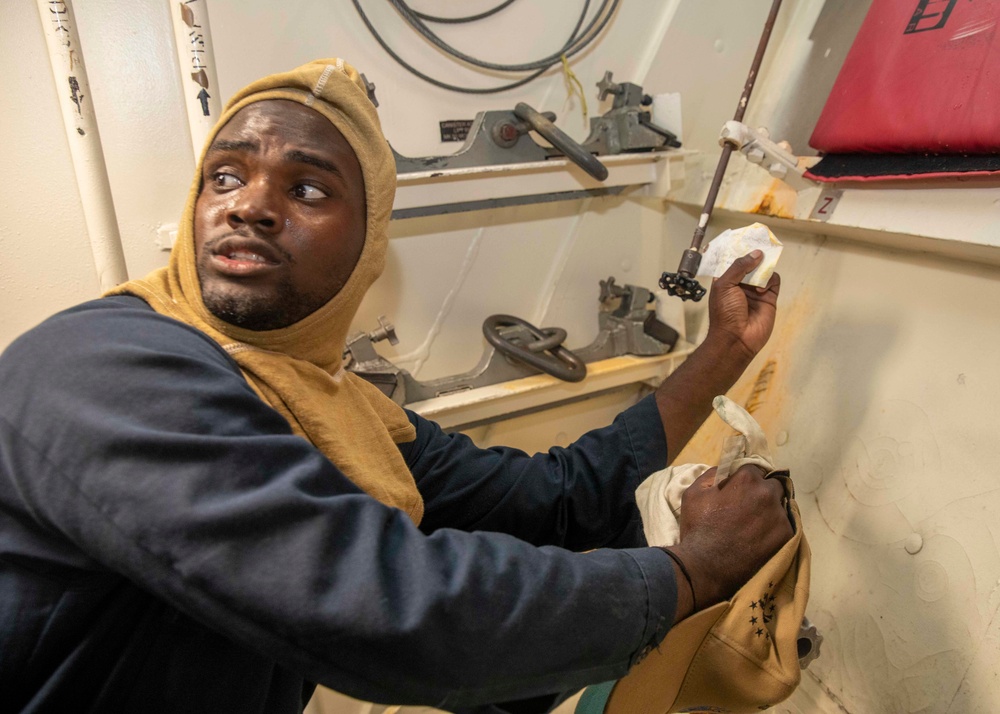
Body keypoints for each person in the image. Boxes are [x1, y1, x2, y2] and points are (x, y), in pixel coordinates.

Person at [0, 59, 790, 714]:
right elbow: (392, 609)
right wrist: (689, 573)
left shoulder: (329, 403)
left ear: (368, 241)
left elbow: (549, 500)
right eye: (226, 175)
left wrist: (721, 350)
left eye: (307, 189)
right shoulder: (105, 367)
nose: (250, 205)